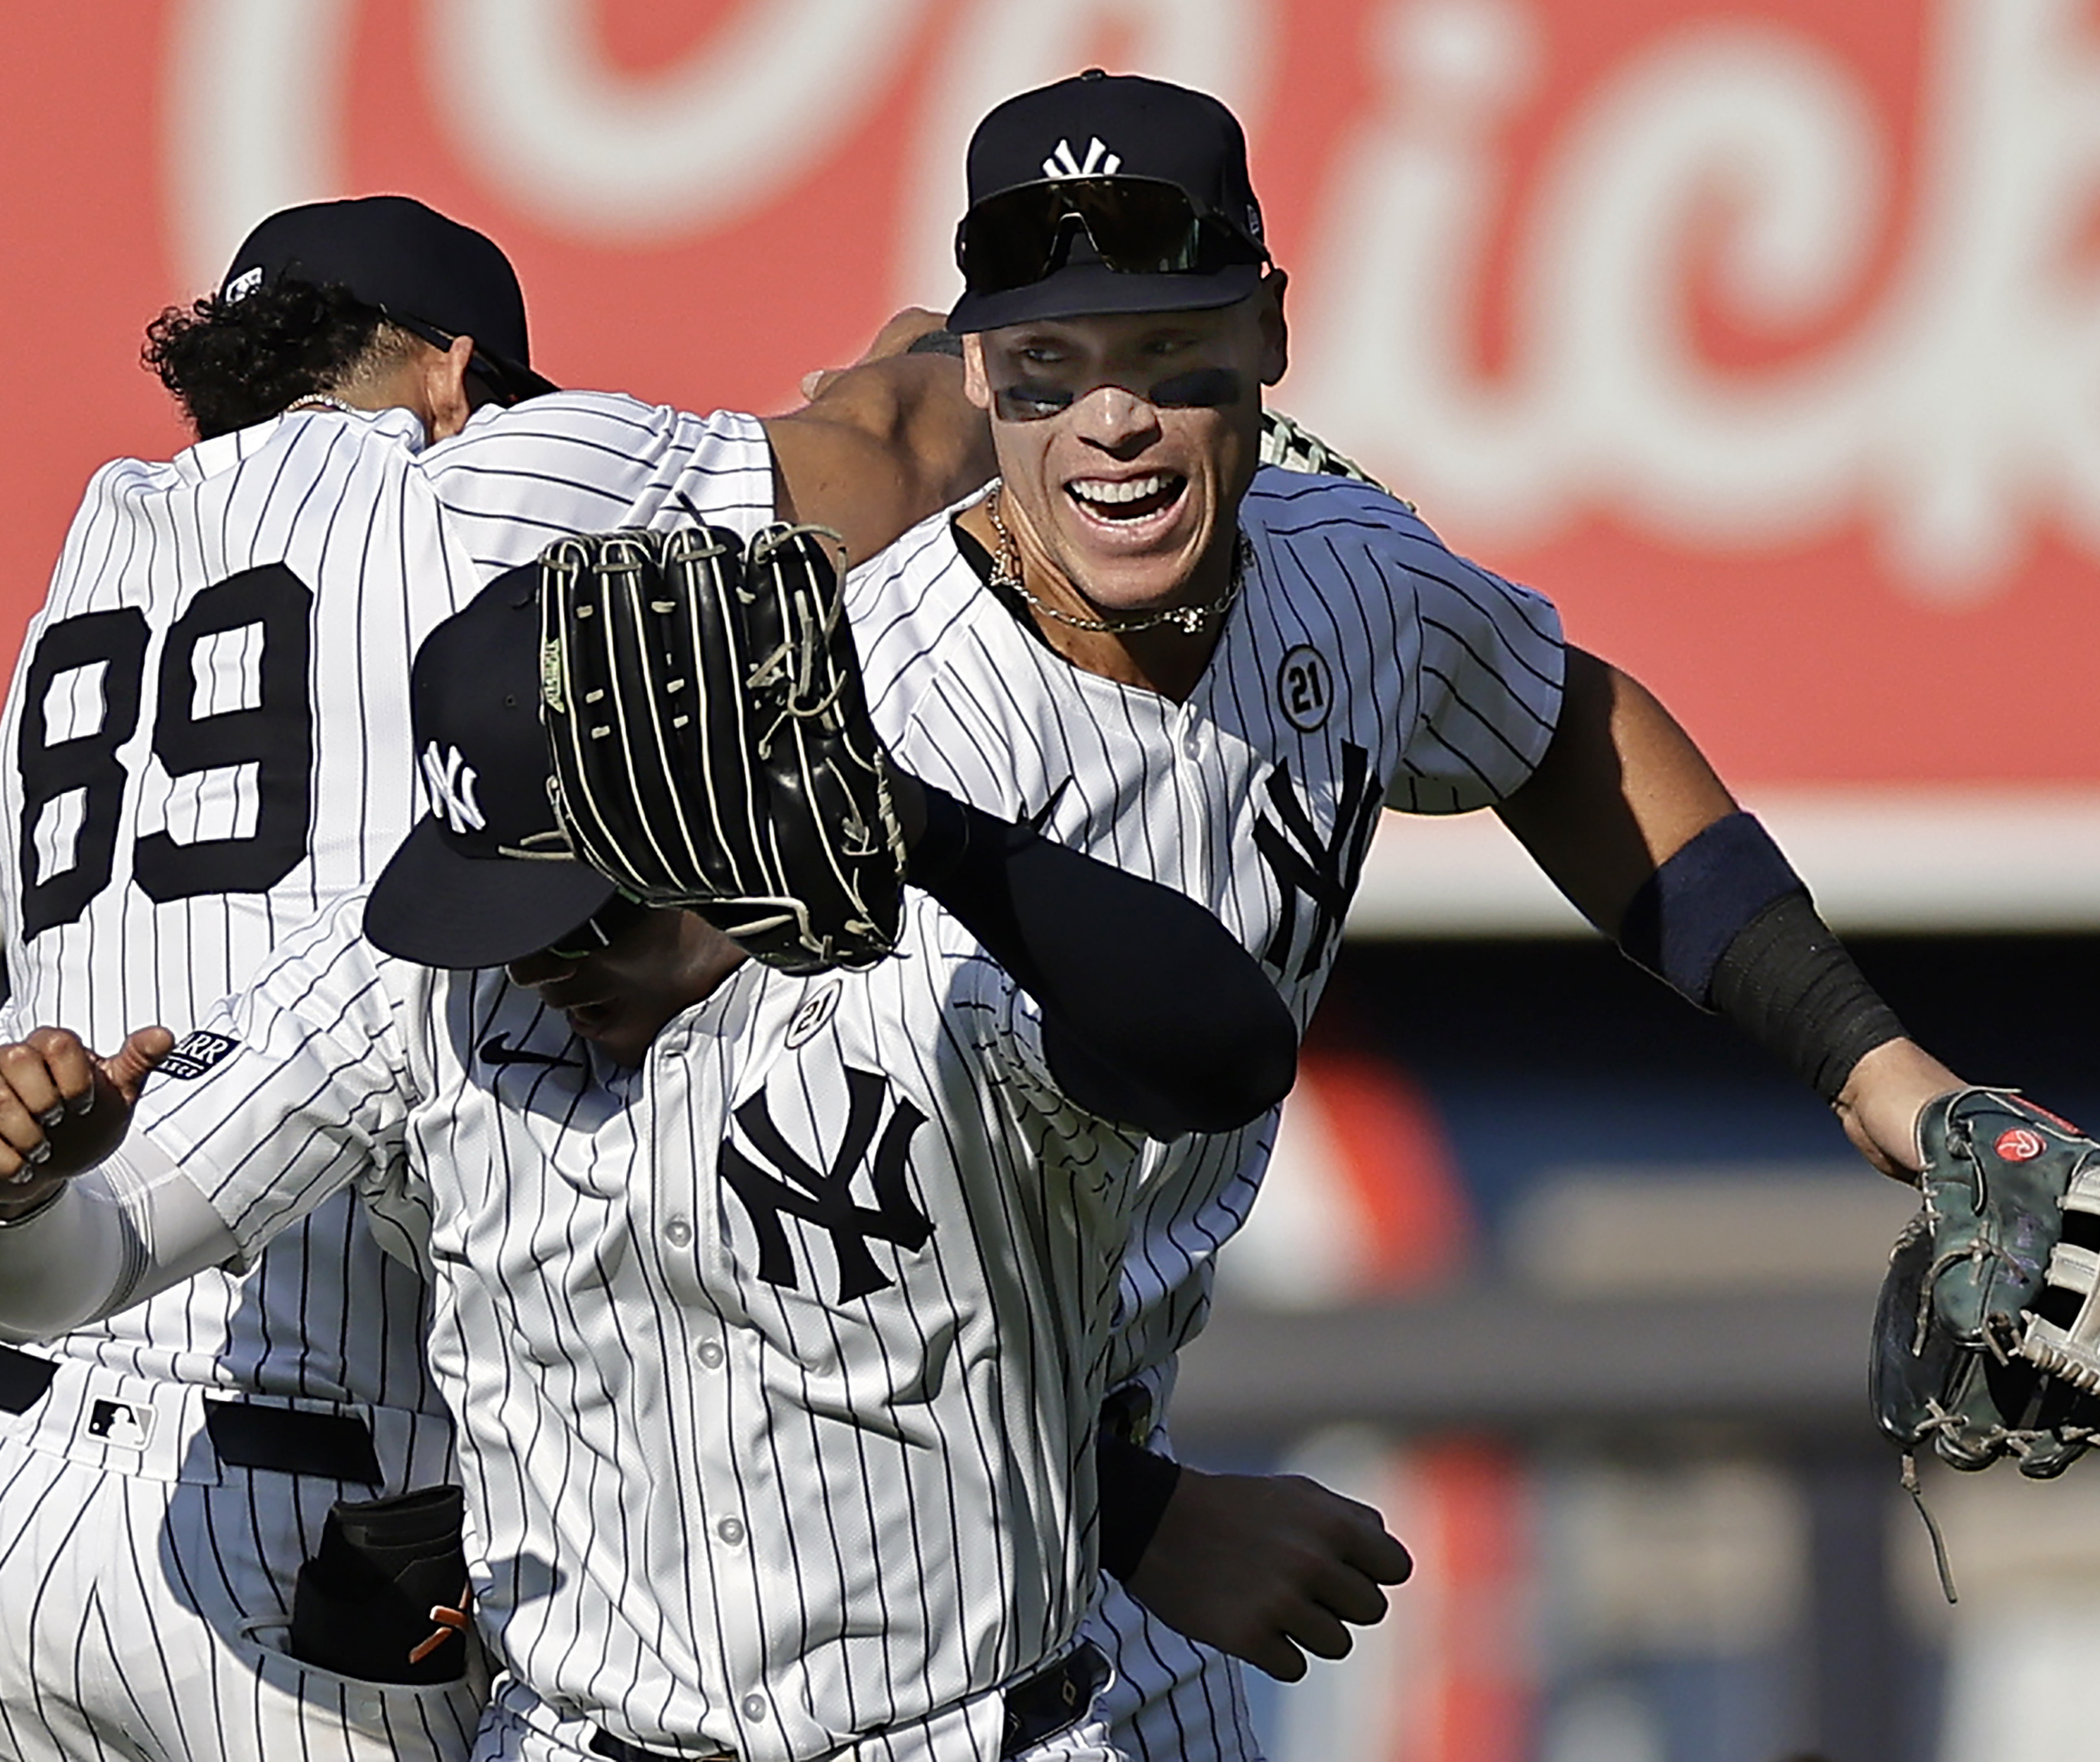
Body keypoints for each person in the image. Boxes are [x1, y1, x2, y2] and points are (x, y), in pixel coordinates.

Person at [837, 70, 1972, 1757]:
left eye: (1165, 352)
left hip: (1090, 1512)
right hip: (808, 1575)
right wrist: (1141, 1515)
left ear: (1272, 331)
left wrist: (1879, 1067)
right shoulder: (888, 722)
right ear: (985, 378)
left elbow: (1561, 723)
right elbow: (767, 1290)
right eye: (1053, 369)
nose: (1114, 422)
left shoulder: (1335, 567)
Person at [0, 192, 993, 1762]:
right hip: (304, 1534)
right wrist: (947, 336)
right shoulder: (481, 475)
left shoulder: (92, 547)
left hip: (3, 1497)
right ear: (449, 369)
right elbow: (897, 458)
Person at [0, 570, 1301, 1762]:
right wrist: (17, 1193)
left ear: (713, 815)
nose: (535, 961)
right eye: (501, 914)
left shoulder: (934, 977)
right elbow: (76, 1272)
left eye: (575, 910)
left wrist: (928, 831)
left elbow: (1228, 1057)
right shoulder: (421, 996)